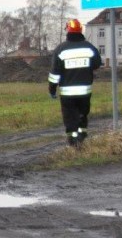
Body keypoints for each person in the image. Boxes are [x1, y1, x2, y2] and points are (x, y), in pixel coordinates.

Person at [48, 19, 102, 147]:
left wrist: (52, 89)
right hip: (85, 91)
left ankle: (73, 141)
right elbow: (97, 64)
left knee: (70, 117)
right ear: (81, 30)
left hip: (67, 93)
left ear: (68, 31)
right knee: (83, 113)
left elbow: (55, 73)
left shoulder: (60, 49)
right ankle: (82, 135)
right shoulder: (89, 47)